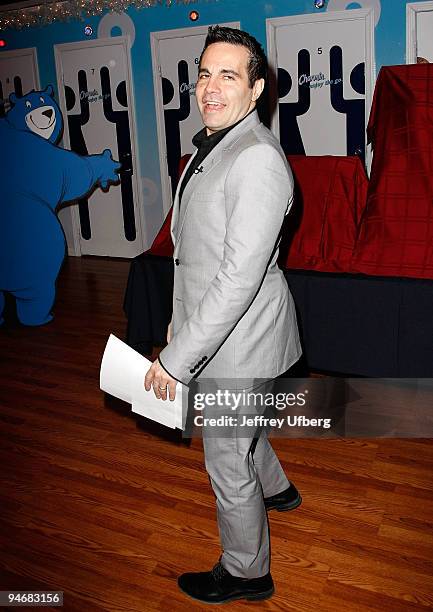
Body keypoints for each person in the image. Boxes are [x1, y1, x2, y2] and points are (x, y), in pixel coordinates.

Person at [145, 25, 302, 604]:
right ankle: (280, 491)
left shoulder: (257, 159)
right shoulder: (212, 145)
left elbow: (237, 279)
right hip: (222, 332)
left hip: (242, 340)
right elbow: (193, 254)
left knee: (226, 461)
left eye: (228, 75)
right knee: (240, 434)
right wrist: (174, 329)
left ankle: (246, 572)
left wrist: (177, 360)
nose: (211, 87)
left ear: (256, 88)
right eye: (205, 73)